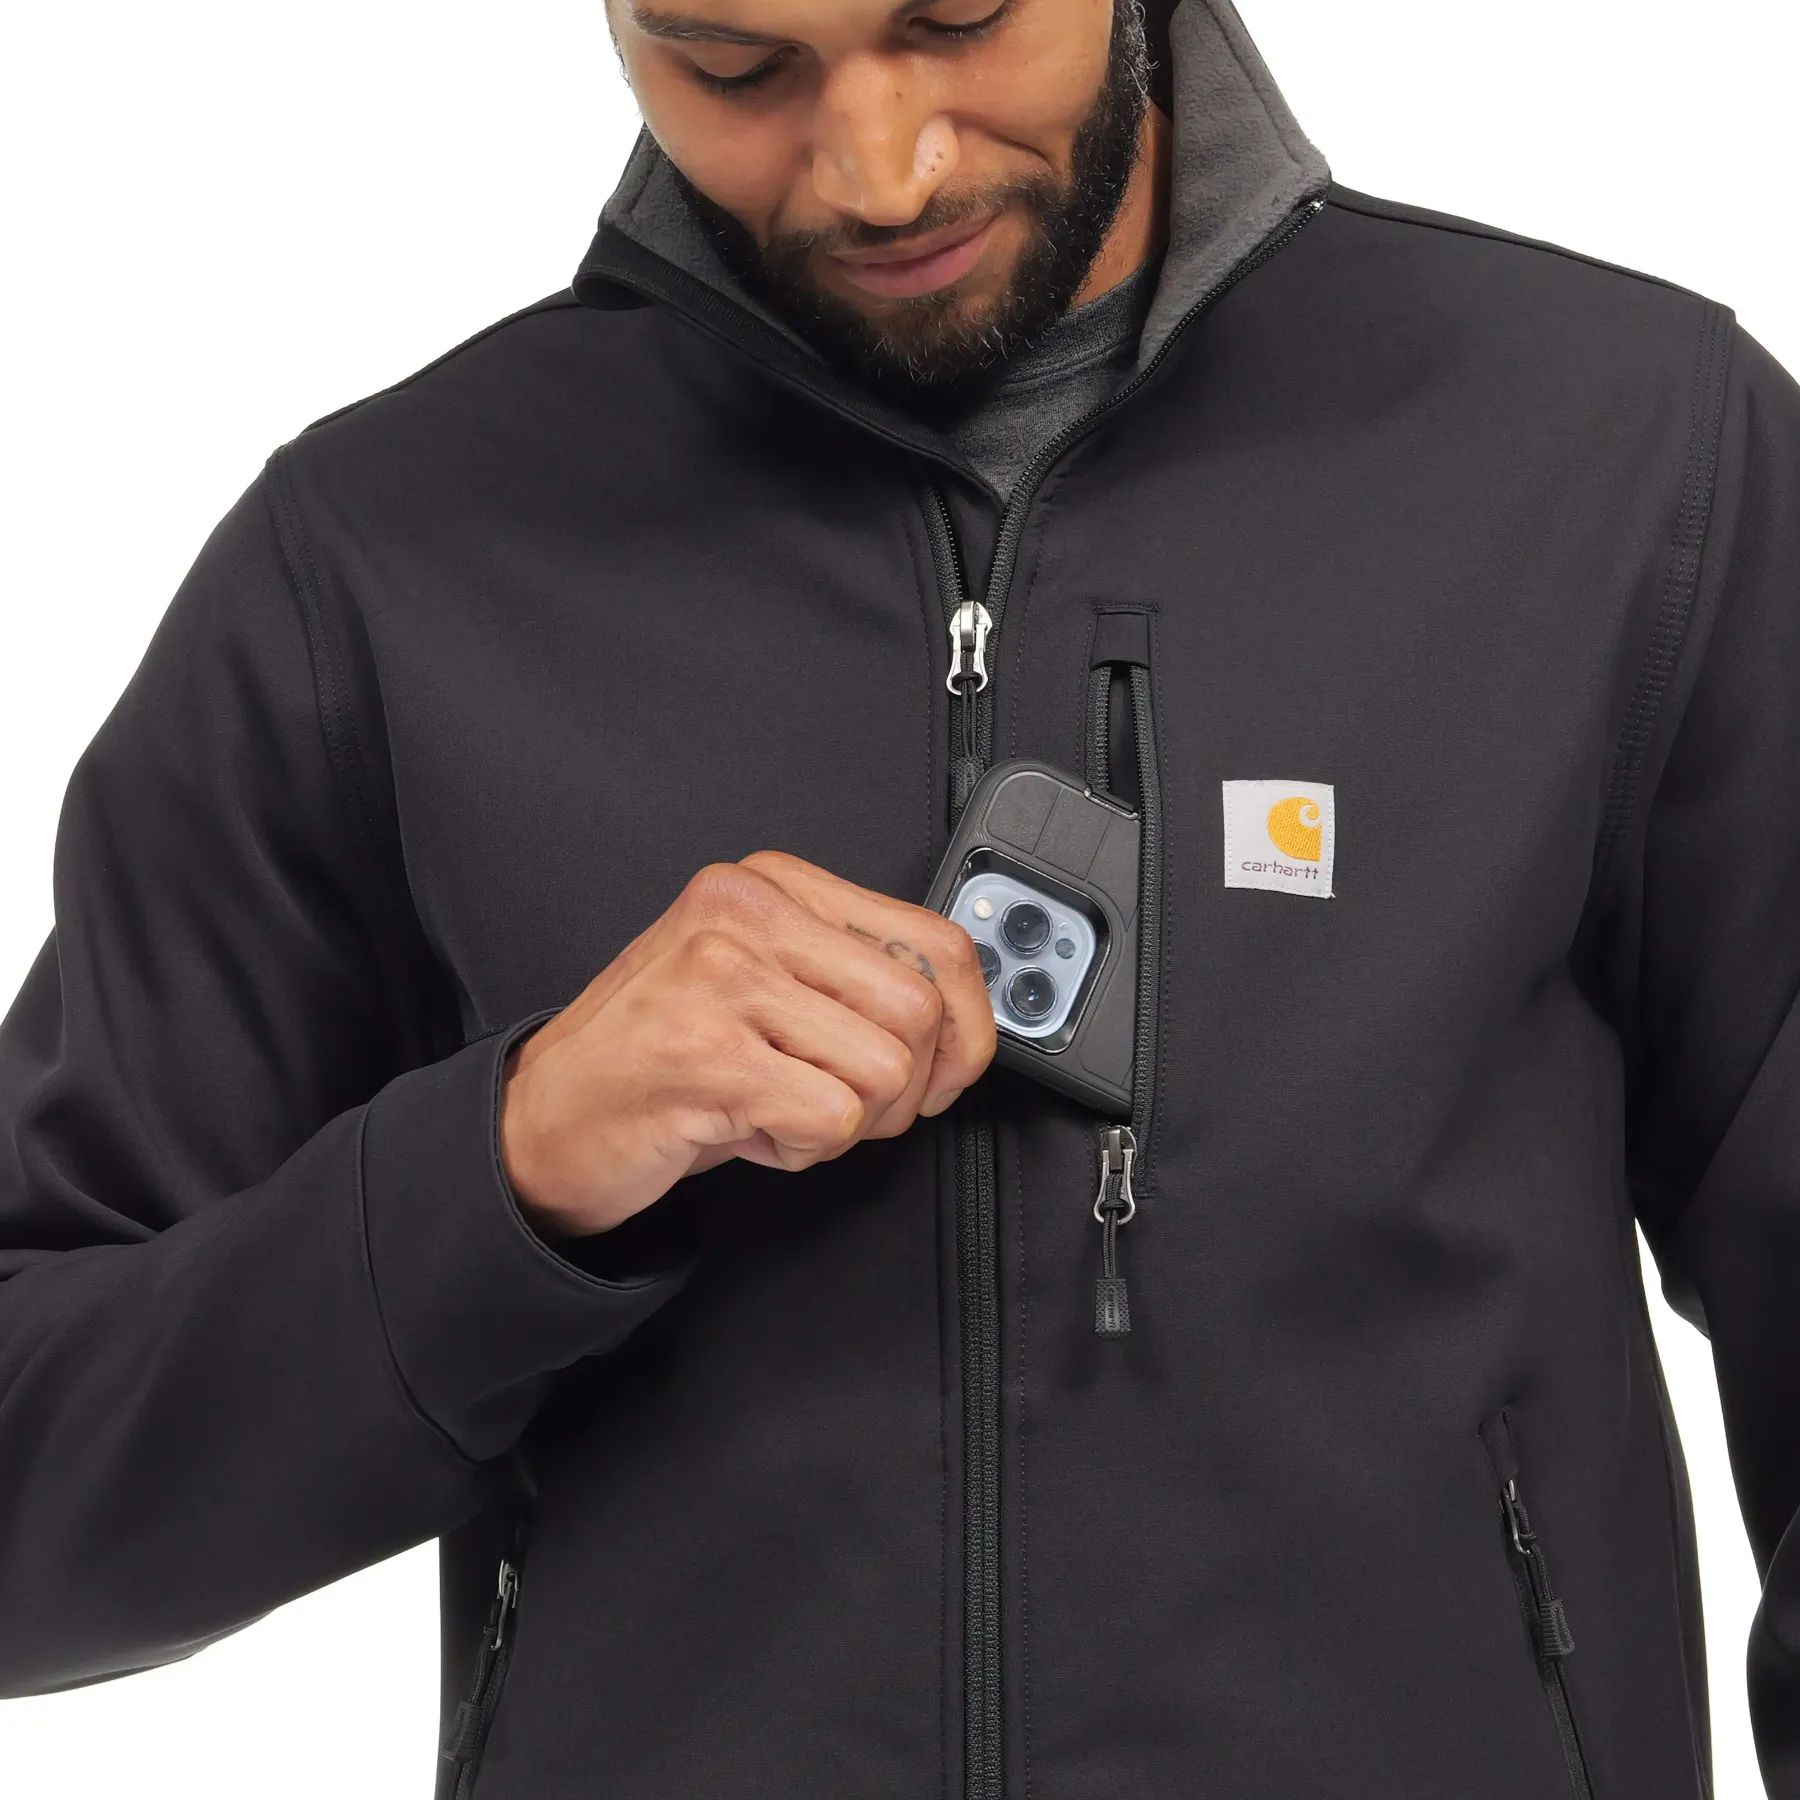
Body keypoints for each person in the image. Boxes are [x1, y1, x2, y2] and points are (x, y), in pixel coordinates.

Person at [2, 1, 1796, 1795]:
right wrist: (510, 1166)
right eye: (735, 66)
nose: (880, 171)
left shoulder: (1637, 456)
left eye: (958, 18)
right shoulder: (382, 558)